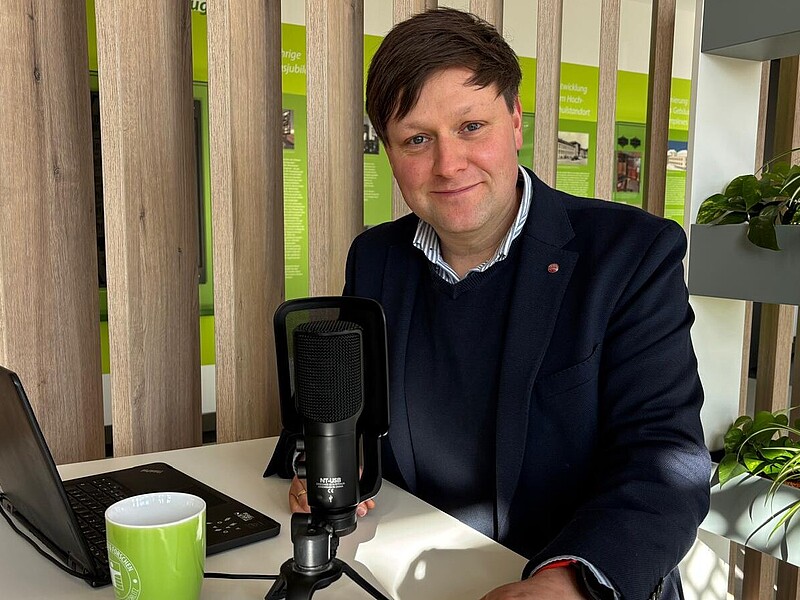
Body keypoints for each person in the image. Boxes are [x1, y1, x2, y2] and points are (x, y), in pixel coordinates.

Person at [289, 8, 710, 600]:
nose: (448, 164)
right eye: (417, 139)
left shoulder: (631, 256)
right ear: (389, 151)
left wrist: (569, 584)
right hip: (403, 574)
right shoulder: (374, 259)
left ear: (514, 121)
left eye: (471, 127)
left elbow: (669, 465)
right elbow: (353, 415)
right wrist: (334, 466)